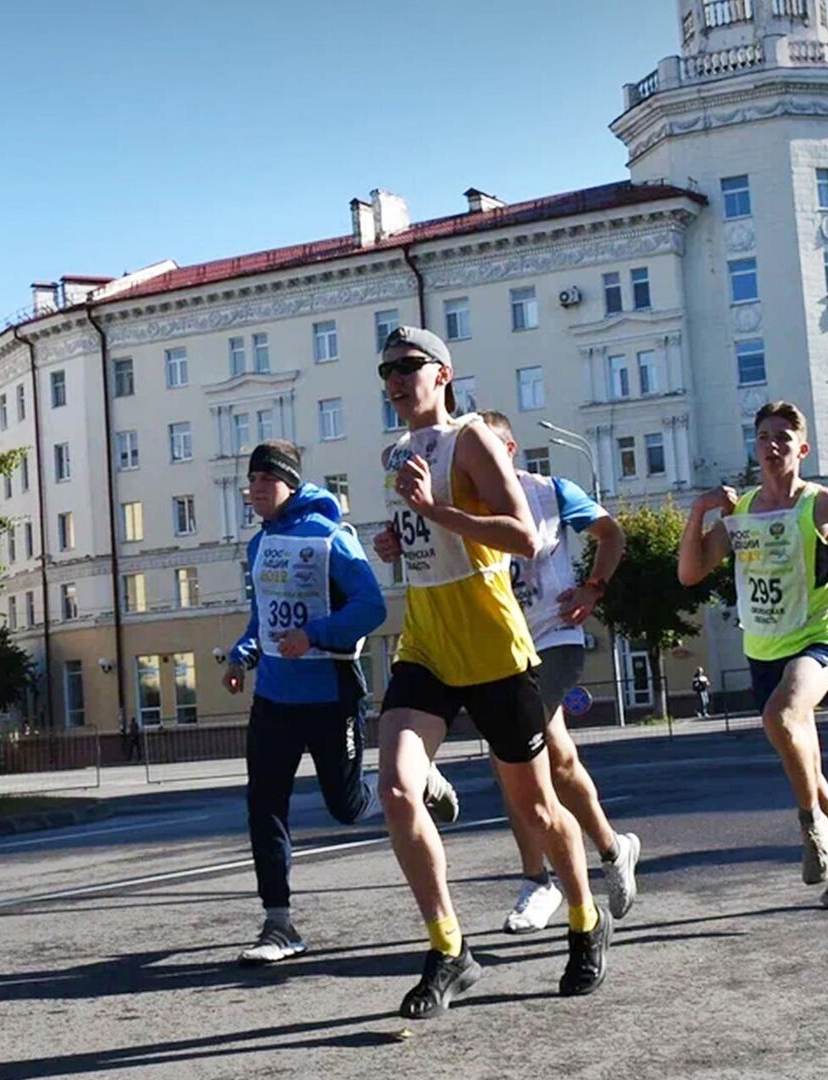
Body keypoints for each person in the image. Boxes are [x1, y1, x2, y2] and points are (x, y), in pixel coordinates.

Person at [371, 326, 609, 1019]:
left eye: (408, 366)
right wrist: (398, 538)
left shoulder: (469, 440)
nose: (394, 379)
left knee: (537, 810)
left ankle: (586, 920)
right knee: (393, 789)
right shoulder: (398, 453)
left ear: (442, 374)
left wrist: (432, 511)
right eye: (385, 370)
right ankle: (449, 948)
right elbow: (429, 543)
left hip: (495, 649)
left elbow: (522, 535)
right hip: (426, 646)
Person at [224, 439, 455, 966]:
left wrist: (317, 634)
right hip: (275, 700)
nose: (254, 490)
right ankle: (278, 924)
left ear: (288, 482)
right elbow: (262, 618)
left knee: (346, 806)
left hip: (330, 694)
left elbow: (371, 607)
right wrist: (241, 657)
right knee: (264, 805)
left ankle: (419, 780)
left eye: (264, 480)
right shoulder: (259, 546)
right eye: (250, 481)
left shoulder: (330, 538)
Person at [677, 401, 828, 910]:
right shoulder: (740, 511)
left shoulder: (824, 504)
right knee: (803, 755)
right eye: (763, 437)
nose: (771, 446)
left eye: (782, 439)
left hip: (819, 637)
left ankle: (811, 830)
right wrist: (699, 512)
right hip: (763, 647)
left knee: (783, 713)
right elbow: (690, 573)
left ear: (801, 449)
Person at [477, 409, 641, 933]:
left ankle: (538, 880)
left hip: (555, 636)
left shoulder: (551, 491)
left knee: (513, 756)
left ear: (509, 451)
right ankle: (615, 850)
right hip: (503, 645)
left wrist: (594, 587)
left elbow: (611, 534)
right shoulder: (465, 499)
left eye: (486, 449)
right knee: (561, 761)